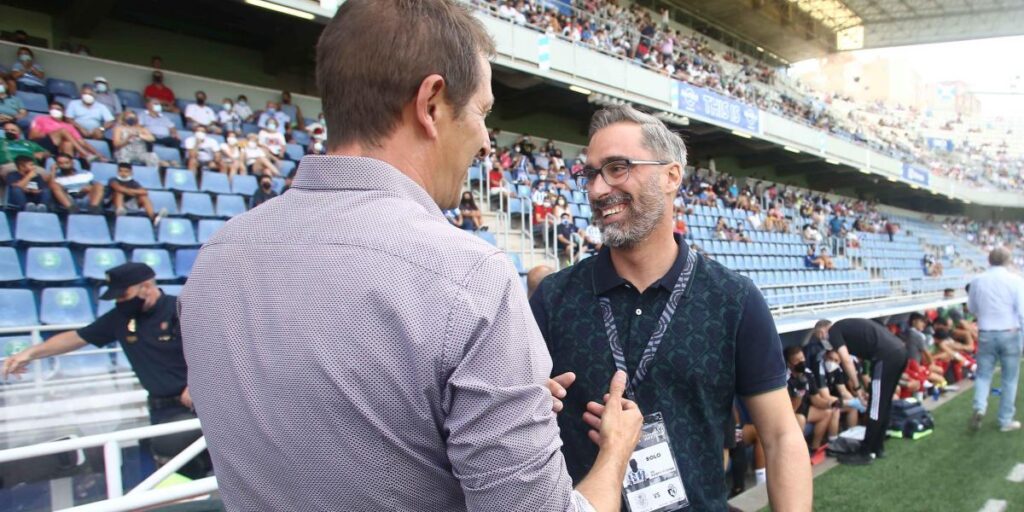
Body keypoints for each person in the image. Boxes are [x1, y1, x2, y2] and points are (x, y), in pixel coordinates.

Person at [181, 3, 643, 511]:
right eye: (482, 113)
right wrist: (616, 453)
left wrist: (490, 409)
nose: (487, 142)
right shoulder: (468, 278)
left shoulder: (216, 259)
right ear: (431, 103)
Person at [531, 104, 811, 509]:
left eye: (617, 167)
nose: (597, 189)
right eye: (590, 174)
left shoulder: (734, 300)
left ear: (671, 176)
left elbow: (781, 435)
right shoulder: (554, 299)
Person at [3, 263, 191, 425]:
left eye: (123, 295)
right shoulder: (120, 318)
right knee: (170, 460)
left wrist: (194, 387)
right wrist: (29, 354)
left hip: (196, 403)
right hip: (161, 408)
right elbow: (76, 338)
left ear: (147, 286)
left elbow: (215, 352)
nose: (120, 302)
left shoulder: (180, 310)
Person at [812, 318, 907, 464]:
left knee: (875, 407)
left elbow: (846, 360)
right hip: (899, 352)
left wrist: (857, 388)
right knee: (884, 403)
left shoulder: (834, 331)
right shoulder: (847, 327)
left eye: (820, 336)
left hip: (885, 356)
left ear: (823, 330)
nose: (823, 340)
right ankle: (877, 447)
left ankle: (865, 452)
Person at [967, 247, 1024, 433]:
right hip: (1010, 332)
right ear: (1008, 261)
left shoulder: (977, 281)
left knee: (983, 375)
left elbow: (972, 308)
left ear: (989, 260)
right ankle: (1005, 419)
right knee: (1009, 378)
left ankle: (979, 406)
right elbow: (1022, 311)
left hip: (986, 333)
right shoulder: (1016, 281)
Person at [783, 346, 837, 455]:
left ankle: (814, 449)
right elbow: (791, 409)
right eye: (797, 361)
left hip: (805, 408)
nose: (801, 362)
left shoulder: (808, 373)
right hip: (792, 412)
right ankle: (798, 453)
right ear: (789, 364)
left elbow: (815, 398)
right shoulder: (785, 379)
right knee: (801, 419)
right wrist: (800, 392)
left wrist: (830, 403)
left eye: (802, 358)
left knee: (827, 412)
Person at [29, 102, 106, 161]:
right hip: (42, 143)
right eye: (53, 109)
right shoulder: (41, 118)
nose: (55, 111)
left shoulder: (69, 126)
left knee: (68, 143)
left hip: (57, 148)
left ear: (63, 111)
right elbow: (32, 136)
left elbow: (82, 142)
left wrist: (98, 154)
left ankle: (67, 164)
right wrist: (52, 133)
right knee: (63, 131)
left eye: (58, 109)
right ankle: (85, 154)